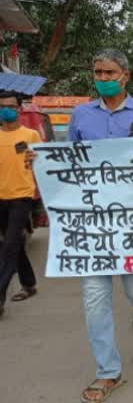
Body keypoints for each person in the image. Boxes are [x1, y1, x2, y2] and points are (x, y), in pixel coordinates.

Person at [44, 49, 133, 403]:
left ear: (125, 76)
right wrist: (38, 161)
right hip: (93, 221)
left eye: (109, 72)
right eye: (97, 71)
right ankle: (107, 371)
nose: (102, 77)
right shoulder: (81, 115)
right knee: (95, 298)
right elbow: (68, 162)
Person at [0, 91, 41, 318]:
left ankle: (0, 296)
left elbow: (45, 164)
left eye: (10, 106)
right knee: (10, 243)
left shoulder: (31, 135)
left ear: (19, 109)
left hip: (21, 196)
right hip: (0, 197)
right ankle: (29, 283)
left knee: (10, 244)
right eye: (1, 106)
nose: (5, 109)